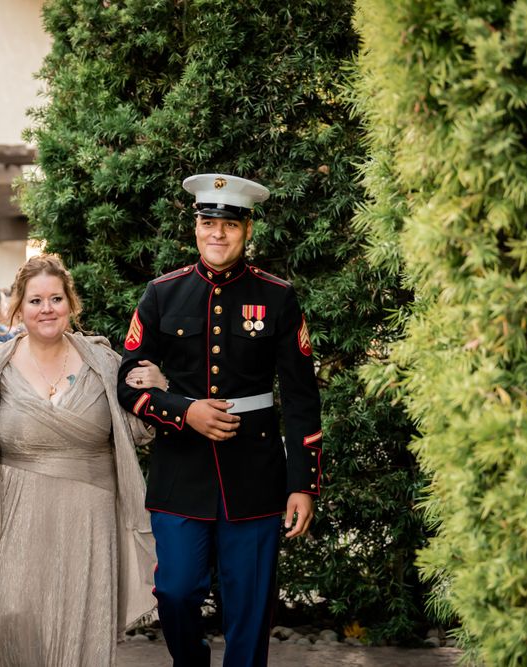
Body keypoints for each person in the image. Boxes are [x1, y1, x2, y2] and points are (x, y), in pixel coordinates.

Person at [118, 174, 323, 666]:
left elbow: (301, 398)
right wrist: (184, 410)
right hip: (180, 472)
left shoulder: (277, 296)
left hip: (254, 474)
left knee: (250, 605)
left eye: (230, 224)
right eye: (208, 222)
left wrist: (303, 484)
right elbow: (127, 381)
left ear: (247, 229)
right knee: (174, 591)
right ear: (195, 228)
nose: (217, 233)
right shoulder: (162, 293)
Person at [0, 254, 163, 666]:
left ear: (71, 303)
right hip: (14, 510)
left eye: (56, 298)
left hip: (89, 515)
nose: (47, 309)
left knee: (80, 620)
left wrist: (157, 390)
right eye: (35, 301)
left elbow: (137, 433)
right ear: (18, 307)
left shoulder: (104, 364)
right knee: (11, 613)